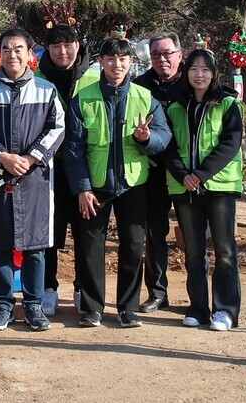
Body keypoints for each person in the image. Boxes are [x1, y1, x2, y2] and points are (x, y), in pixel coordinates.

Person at [61, 36, 170, 328]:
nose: (117, 64)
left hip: (133, 183)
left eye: (123, 59)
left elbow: (164, 137)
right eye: (111, 59)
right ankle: (92, 308)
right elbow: (73, 150)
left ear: (131, 63)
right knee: (89, 246)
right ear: (101, 62)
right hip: (95, 186)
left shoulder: (144, 98)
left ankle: (128, 308)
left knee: (134, 246)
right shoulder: (83, 99)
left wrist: (147, 139)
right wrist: (82, 188)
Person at [0, 28, 66, 333]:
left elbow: (57, 128)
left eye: (19, 49)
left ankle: (35, 307)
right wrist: (2, 157)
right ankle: (2, 306)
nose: (13, 55)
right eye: (7, 49)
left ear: (29, 54)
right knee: (0, 244)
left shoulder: (46, 91)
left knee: (35, 247)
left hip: (35, 177)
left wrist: (32, 157)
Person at [164, 48, 244, 332]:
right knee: (194, 251)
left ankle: (226, 310)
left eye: (205, 70)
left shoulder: (227, 104)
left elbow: (230, 144)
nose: (199, 75)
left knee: (224, 249)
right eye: (194, 69)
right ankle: (198, 307)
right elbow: (168, 146)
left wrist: (200, 174)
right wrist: (183, 174)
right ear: (186, 73)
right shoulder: (175, 107)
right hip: (185, 188)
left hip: (219, 186)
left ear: (214, 73)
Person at [34, 24, 96, 316]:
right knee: (50, 232)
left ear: (78, 45)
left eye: (68, 44)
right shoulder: (37, 79)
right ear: (47, 48)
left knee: (86, 233)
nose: (62, 51)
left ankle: (83, 288)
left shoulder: (94, 76)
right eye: (55, 46)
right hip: (50, 169)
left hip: (87, 169)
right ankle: (49, 289)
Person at [131, 32, 183, 313]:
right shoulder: (141, 87)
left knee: (193, 235)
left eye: (167, 53)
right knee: (154, 233)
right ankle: (157, 292)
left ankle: (199, 296)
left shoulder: (194, 82)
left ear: (179, 54)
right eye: (156, 55)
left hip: (188, 172)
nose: (162, 59)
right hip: (152, 171)